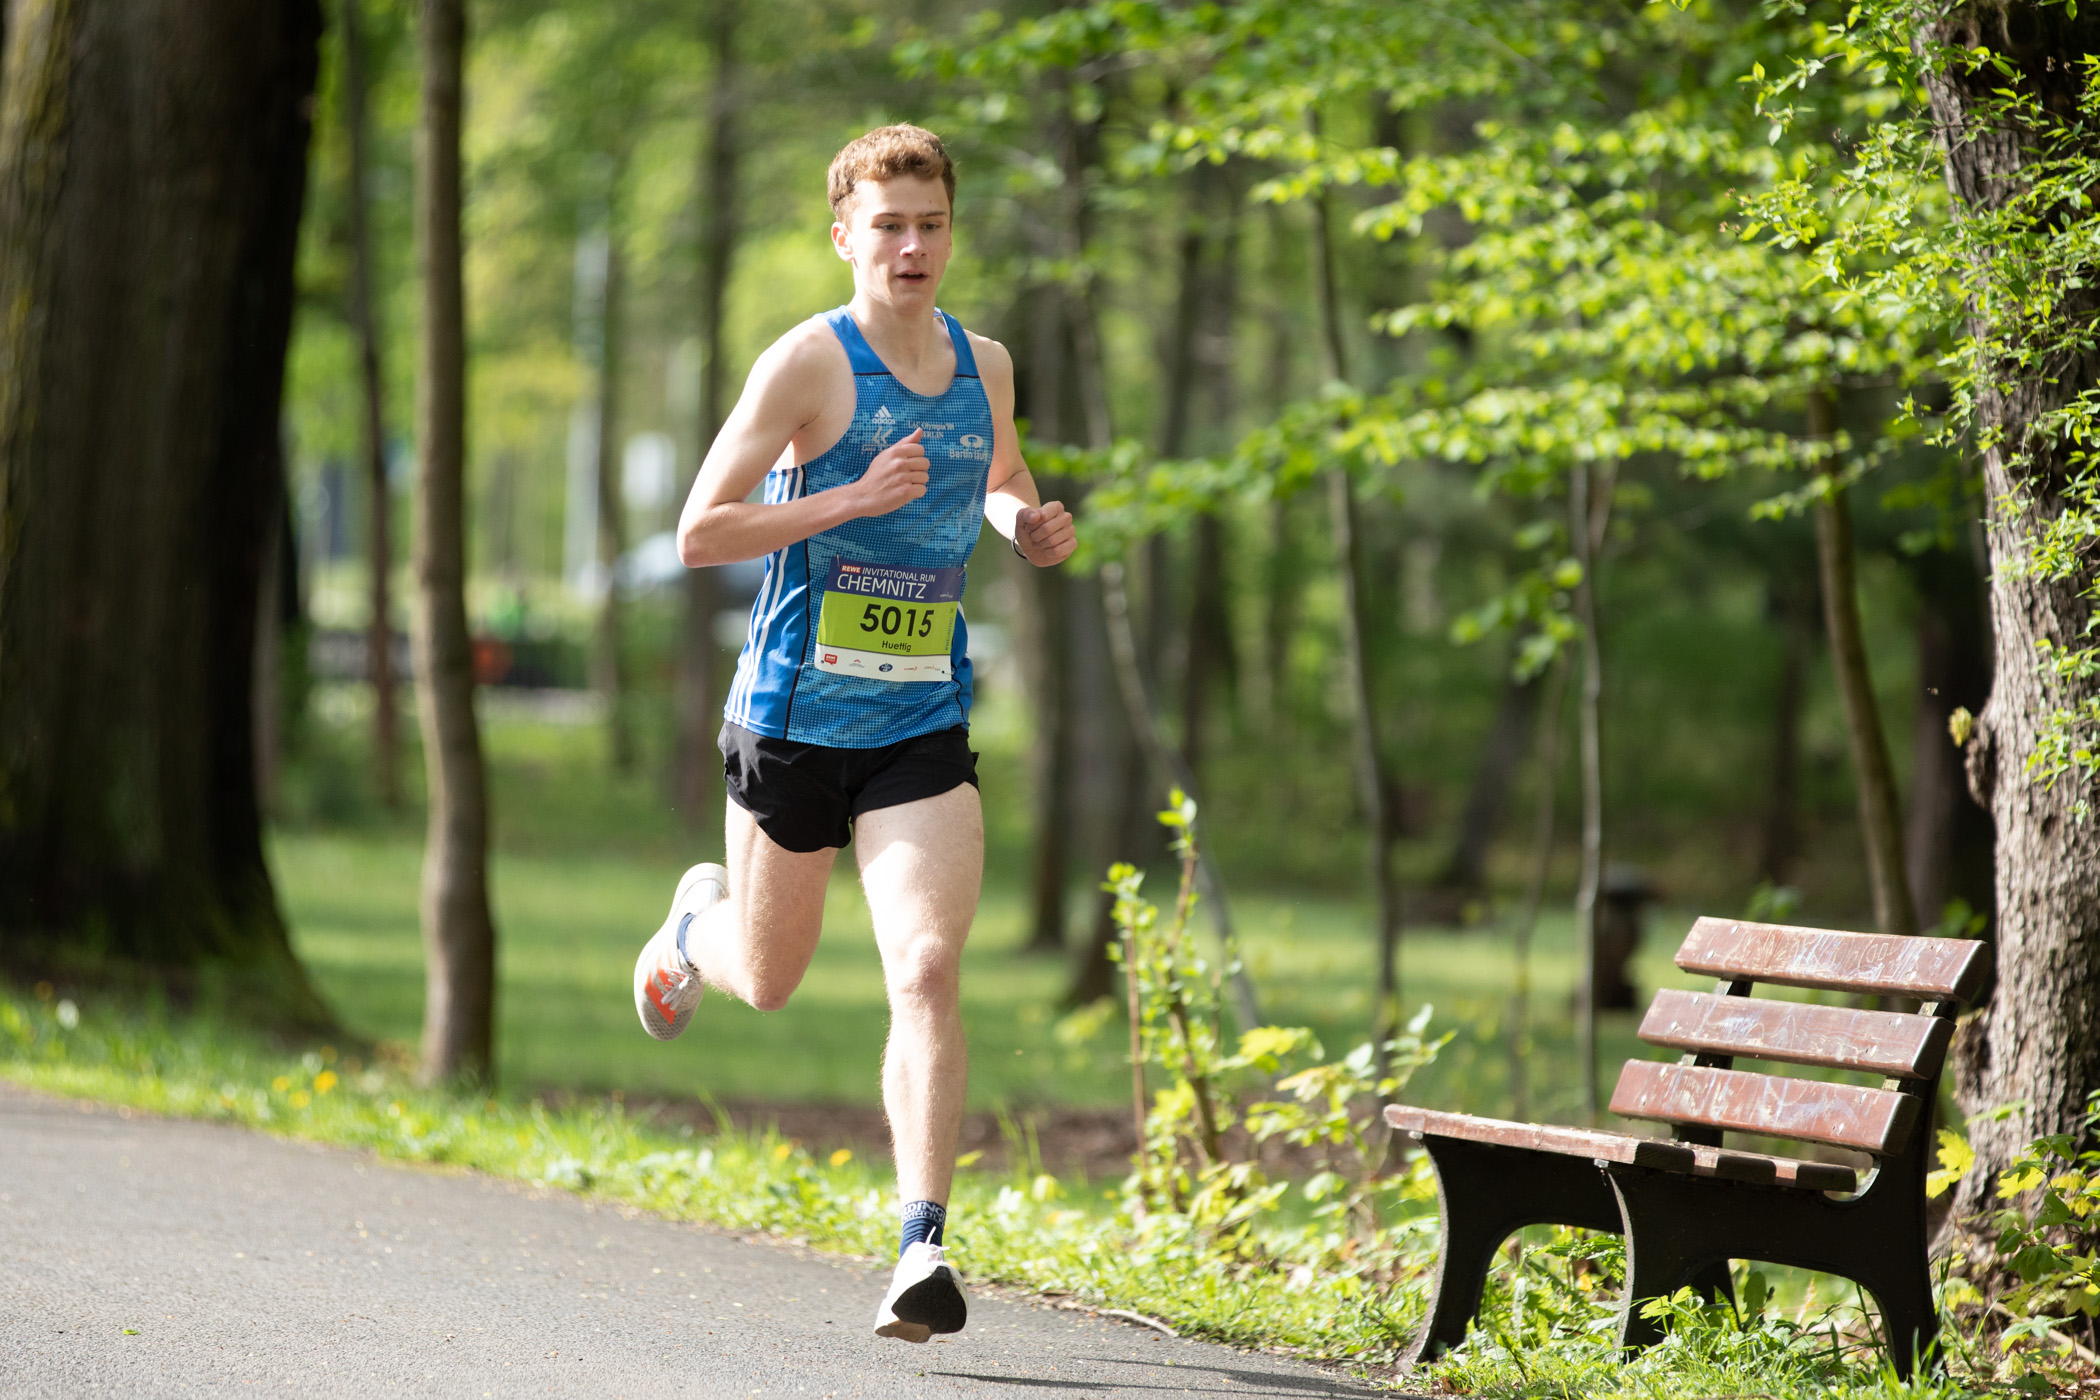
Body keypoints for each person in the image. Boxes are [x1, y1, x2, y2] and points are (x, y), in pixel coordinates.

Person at [631, 123, 1076, 1343]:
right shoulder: (807, 364)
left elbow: (1004, 474)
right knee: (770, 980)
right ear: (845, 236)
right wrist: (846, 497)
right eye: (888, 226)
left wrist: (1025, 522)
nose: (912, 246)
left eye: (931, 224)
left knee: (925, 966)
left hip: (920, 717)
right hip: (792, 718)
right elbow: (700, 530)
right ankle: (694, 925)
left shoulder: (986, 364)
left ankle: (920, 1243)